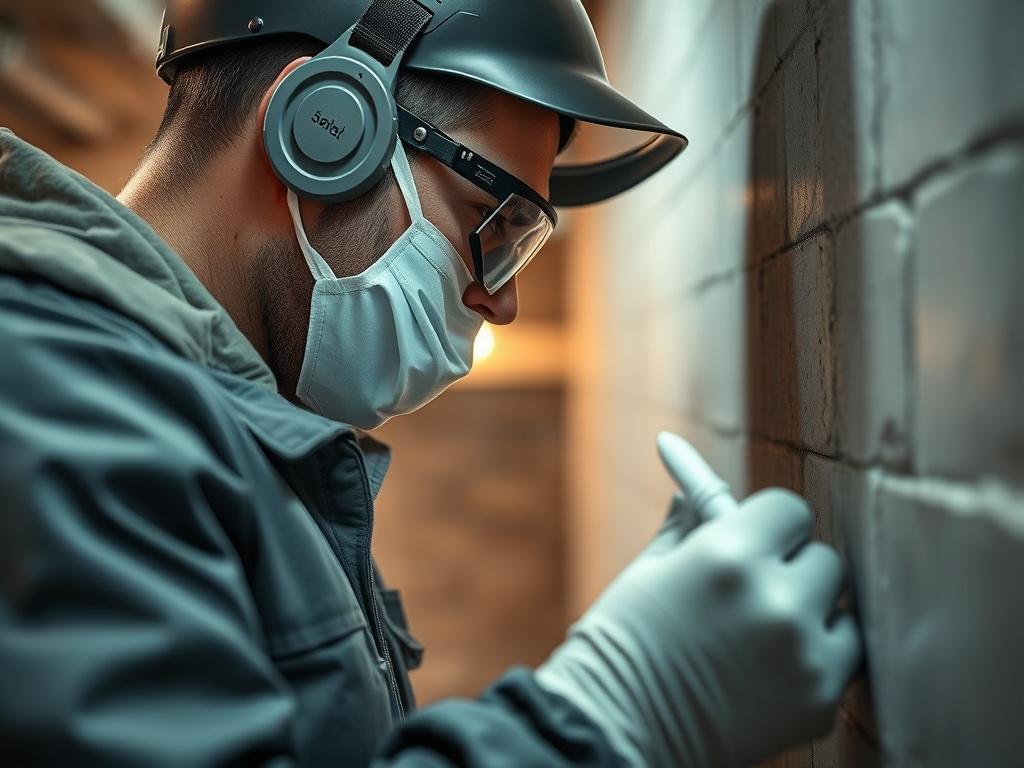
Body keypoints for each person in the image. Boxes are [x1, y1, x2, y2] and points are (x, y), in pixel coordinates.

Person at [0, 0, 862, 765]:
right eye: (498, 222)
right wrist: (613, 714)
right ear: (322, 127)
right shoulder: (52, 402)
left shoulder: (209, 421)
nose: (504, 297)